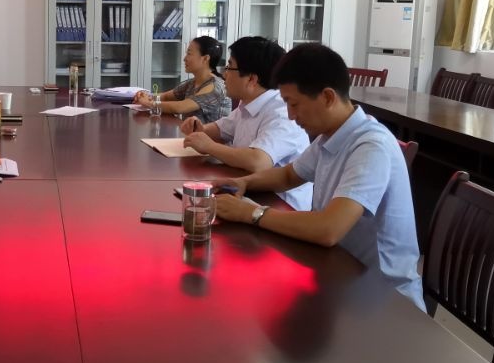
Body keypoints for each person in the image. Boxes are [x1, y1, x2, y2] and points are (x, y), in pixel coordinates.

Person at [211, 43, 424, 311]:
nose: (291, 115)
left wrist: (251, 213)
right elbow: (289, 175)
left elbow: (328, 229)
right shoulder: (330, 135)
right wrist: (243, 183)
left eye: (294, 104)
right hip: (340, 273)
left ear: (327, 97)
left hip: (382, 298)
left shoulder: (371, 146)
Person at [181, 36, 311, 210]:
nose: (224, 74)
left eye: (229, 67)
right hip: (248, 191)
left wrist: (209, 146)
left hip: (279, 205)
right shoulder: (248, 103)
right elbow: (220, 129)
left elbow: (258, 161)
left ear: (251, 79)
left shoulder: (281, 112)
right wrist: (198, 127)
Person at [133, 36, 231, 123]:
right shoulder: (192, 83)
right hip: (191, 136)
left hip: (209, 138)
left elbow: (181, 107)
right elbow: (166, 96)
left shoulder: (216, 87)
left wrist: (148, 103)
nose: (184, 59)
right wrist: (146, 96)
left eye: (189, 54)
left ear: (205, 58)